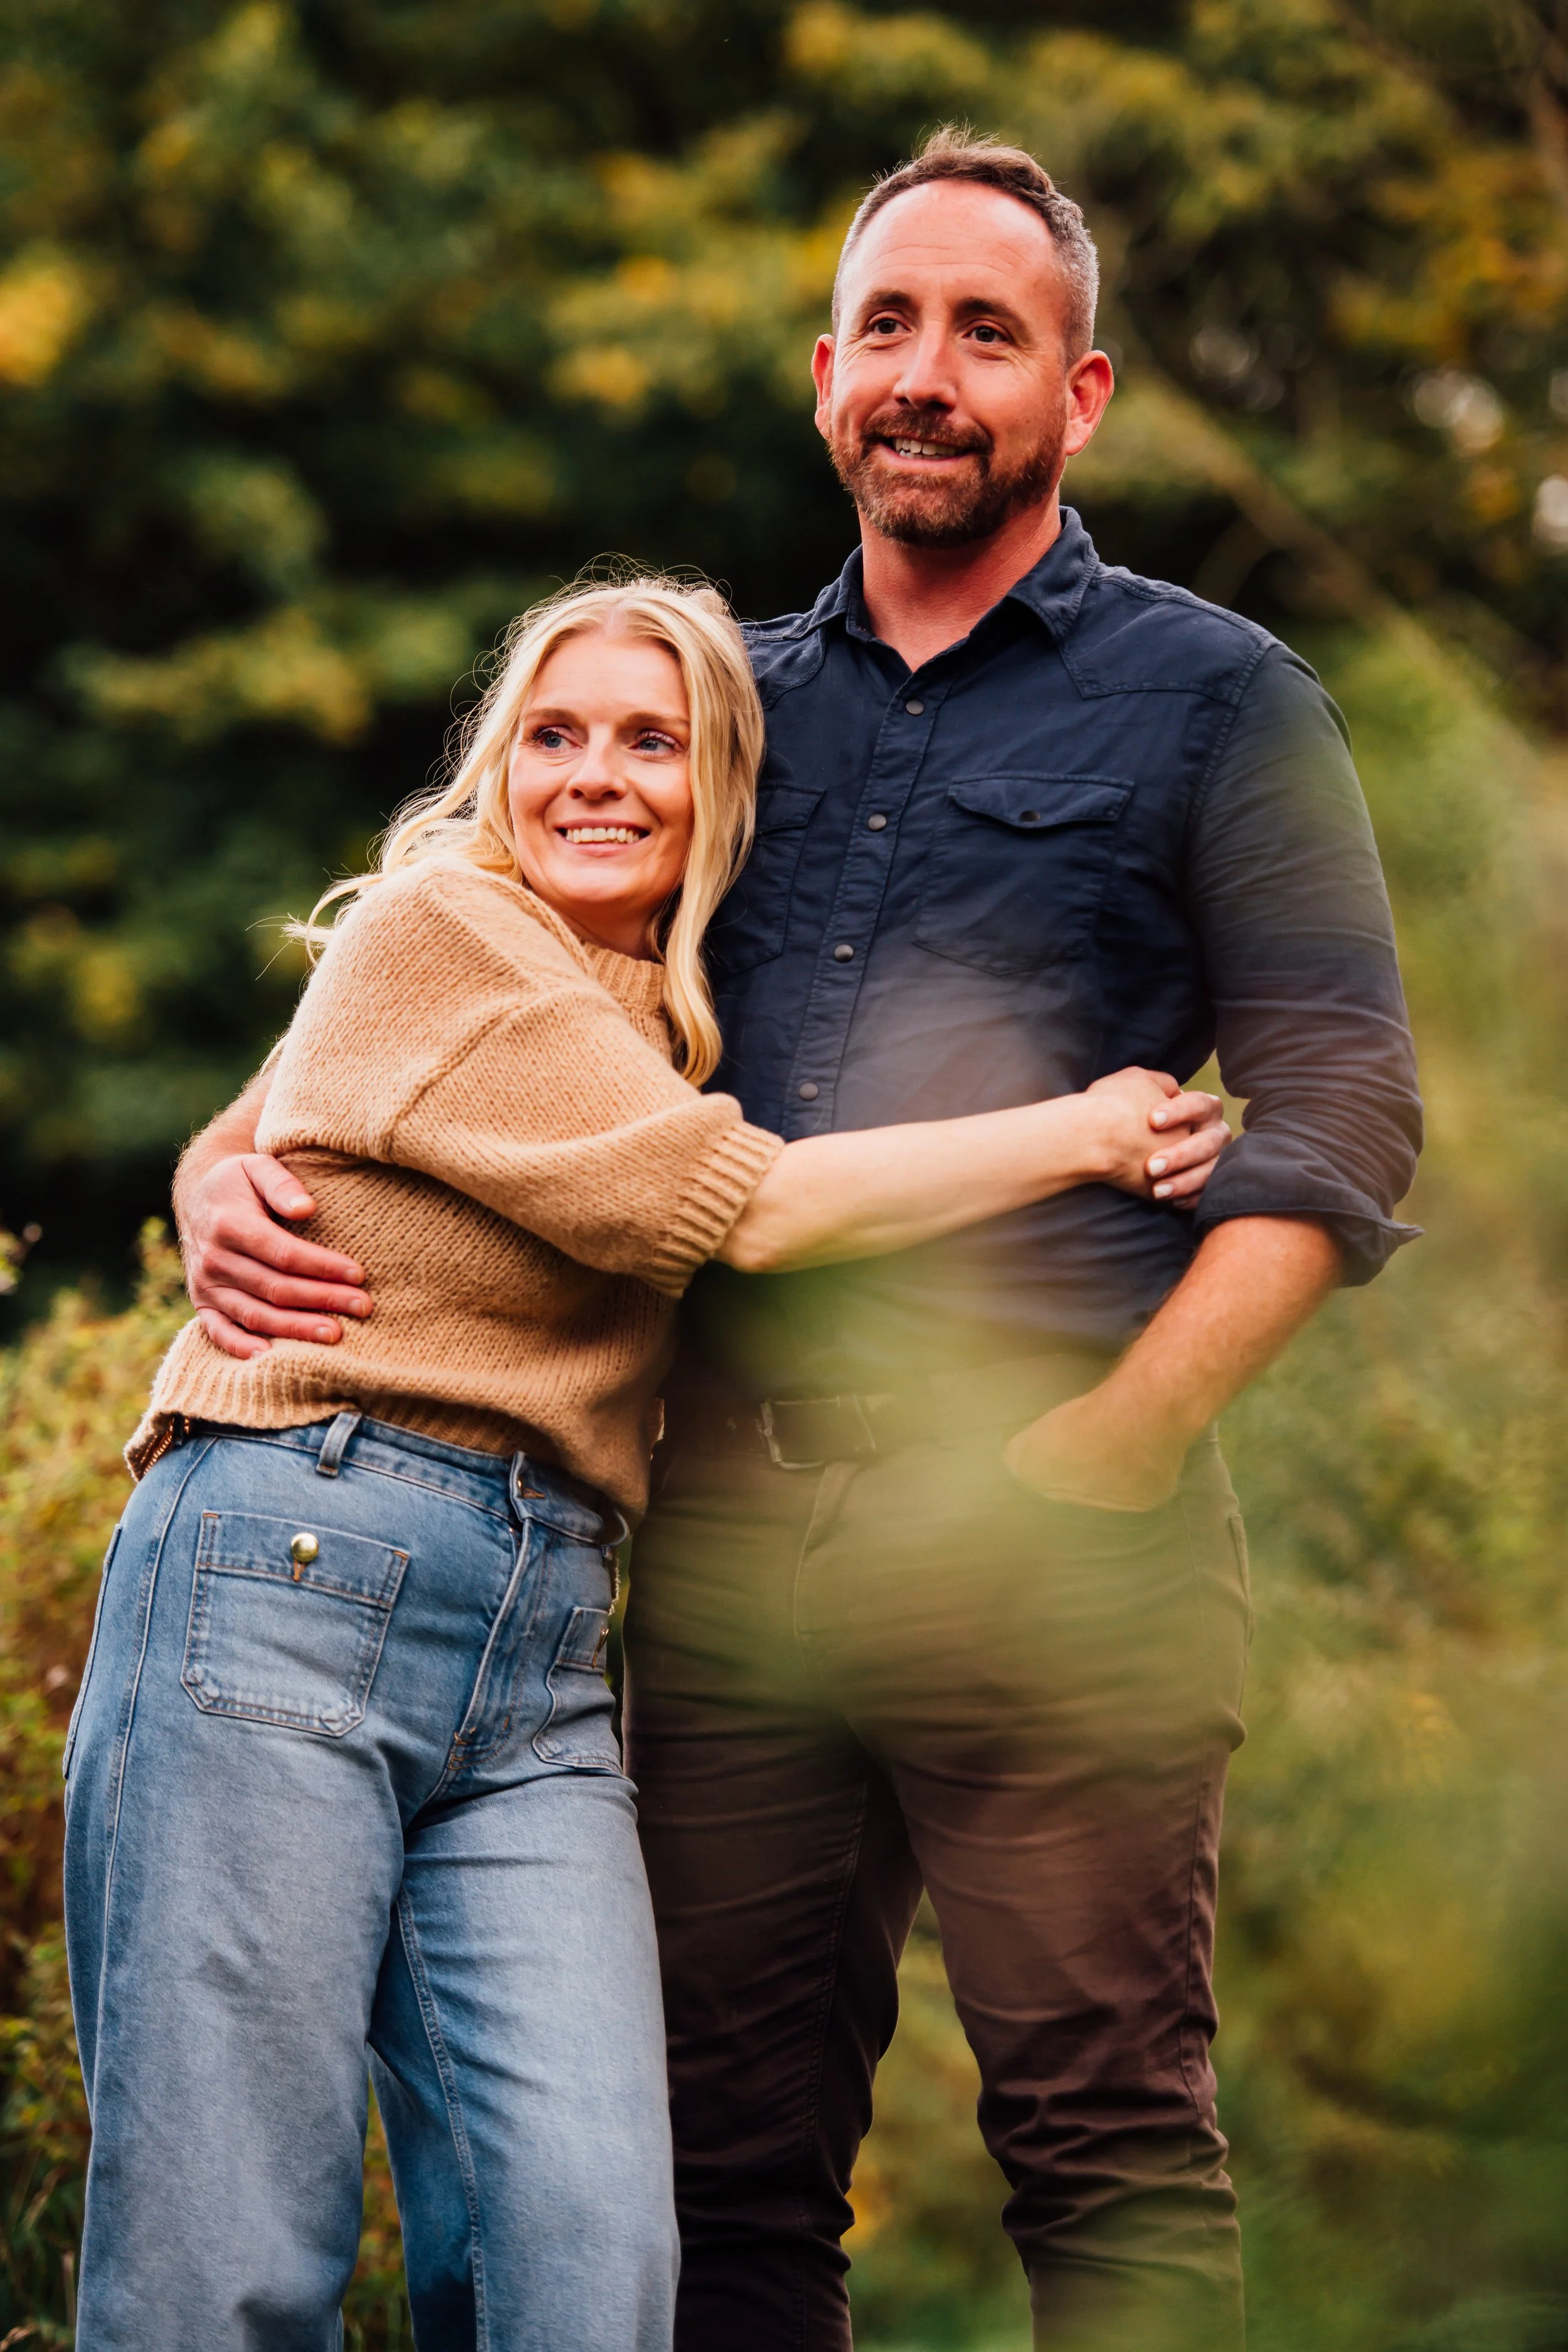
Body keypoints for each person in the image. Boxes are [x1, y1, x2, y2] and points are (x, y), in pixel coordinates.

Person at [174, 130, 1422, 2352]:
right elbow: (439, 959)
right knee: (719, 2173)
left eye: (984, 331)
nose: (924, 374)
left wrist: (1121, 1450)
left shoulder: (1221, 701)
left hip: (1063, 1518)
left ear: (1085, 390)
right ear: (819, 375)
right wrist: (219, 1148)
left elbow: (1340, 1119)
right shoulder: (710, 709)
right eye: (884, 328)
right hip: (730, 1537)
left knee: (1107, 2152)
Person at [66, 572, 1230, 2352]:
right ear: (489, 768)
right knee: (231, 2257)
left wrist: (219, 1146)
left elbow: (296, 1095)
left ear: (723, 791)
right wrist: (1079, 1126)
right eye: (550, 734)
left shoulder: (670, 1013)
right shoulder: (454, 929)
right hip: (294, 1554)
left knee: (596, 2249)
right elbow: (744, 1207)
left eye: (650, 739)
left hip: (546, 1644)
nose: (594, 775)